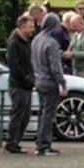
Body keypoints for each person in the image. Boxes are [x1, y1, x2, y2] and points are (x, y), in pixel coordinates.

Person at [31, 13, 68, 156]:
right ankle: (44, 145)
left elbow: (33, 61)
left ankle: (39, 143)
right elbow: (55, 67)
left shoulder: (36, 40)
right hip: (50, 82)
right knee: (48, 114)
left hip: (39, 80)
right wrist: (62, 84)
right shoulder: (51, 43)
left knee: (42, 113)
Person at [4, 14, 35, 155]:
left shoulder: (26, 41)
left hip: (26, 85)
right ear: (22, 27)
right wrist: (26, 79)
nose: (32, 29)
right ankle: (11, 142)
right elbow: (14, 66)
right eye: (30, 26)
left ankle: (16, 141)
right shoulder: (14, 43)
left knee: (26, 115)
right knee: (18, 115)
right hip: (18, 85)